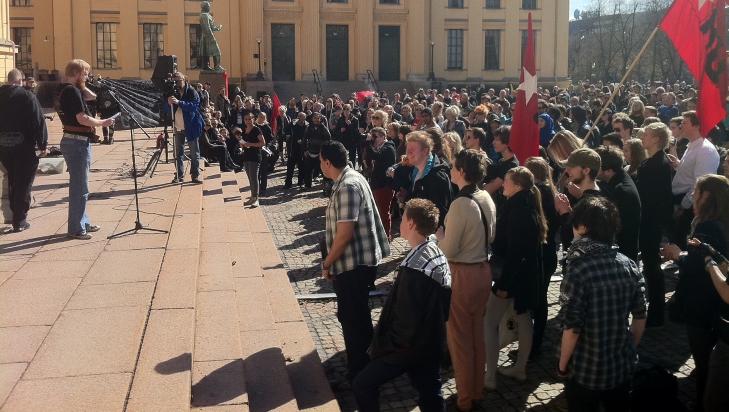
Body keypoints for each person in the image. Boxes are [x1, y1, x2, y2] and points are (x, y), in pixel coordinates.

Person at [353, 199, 451, 412]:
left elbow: (407, 319)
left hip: (409, 347)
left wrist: (386, 347)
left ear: (412, 224)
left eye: (403, 217)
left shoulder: (415, 270)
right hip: (432, 341)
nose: (400, 221)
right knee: (430, 393)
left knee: (362, 384)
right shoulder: (433, 251)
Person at [558, 196, 647, 412]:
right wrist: (629, 348)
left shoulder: (578, 269)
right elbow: (640, 316)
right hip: (621, 366)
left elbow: (572, 328)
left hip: (585, 371)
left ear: (583, 227)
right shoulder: (629, 264)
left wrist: (562, 366)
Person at [320, 140, 390, 383]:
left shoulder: (348, 186)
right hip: (356, 262)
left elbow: (344, 233)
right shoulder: (351, 177)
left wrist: (328, 262)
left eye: (321, 161)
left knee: (353, 318)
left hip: (354, 264)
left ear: (328, 163)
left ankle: (360, 370)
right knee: (356, 314)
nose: (320, 165)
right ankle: (367, 359)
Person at [661, 175, 729, 412]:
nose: (693, 196)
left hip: (702, 304)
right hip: (716, 303)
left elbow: (699, 263)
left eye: (697, 192)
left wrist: (677, 254)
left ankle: (702, 402)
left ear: (707, 197)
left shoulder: (706, 226)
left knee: (703, 362)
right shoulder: (723, 222)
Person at [435, 149, 495, 412]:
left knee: (459, 341)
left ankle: (465, 400)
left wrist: (439, 235)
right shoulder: (485, 197)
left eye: (453, 166)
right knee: (476, 337)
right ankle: (476, 392)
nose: (450, 170)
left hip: (463, 273)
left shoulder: (461, 203)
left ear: (461, 171)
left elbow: (449, 250)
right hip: (482, 270)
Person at [484, 167, 547, 387]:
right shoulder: (527, 205)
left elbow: (515, 253)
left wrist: (503, 284)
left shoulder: (518, 210)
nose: (503, 184)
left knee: (489, 322)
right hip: (525, 276)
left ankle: (490, 376)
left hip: (512, 277)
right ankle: (519, 369)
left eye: (507, 181)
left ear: (518, 185)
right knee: (523, 318)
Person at [56, 60, 115, 239]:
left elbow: (92, 97)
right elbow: (82, 118)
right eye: (86, 73)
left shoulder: (67, 89)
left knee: (82, 186)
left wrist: (84, 83)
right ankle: (76, 228)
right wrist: (102, 122)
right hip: (77, 143)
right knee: (79, 188)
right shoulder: (72, 91)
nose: (88, 76)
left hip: (74, 142)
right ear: (78, 73)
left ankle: (83, 221)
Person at [0, 68, 48, 232]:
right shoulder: (27, 96)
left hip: (4, 147)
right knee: (24, 183)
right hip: (24, 146)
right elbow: (38, 121)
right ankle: (19, 220)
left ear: (8, 80)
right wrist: (43, 144)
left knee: (12, 180)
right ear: (20, 81)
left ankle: (13, 214)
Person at [637, 122, 674, 327]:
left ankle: (657, 312)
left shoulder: (655, 165)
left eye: (647, 135)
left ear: (657, 140)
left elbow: (652, 198)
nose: (643, 137)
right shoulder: (655, 162)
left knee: (652, 267)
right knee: (651, 266)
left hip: (649, 222)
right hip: (651, 221)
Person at [523, 157, 559, 358]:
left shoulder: (539, 192)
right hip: (548, 251)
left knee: (537, 301)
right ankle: (534, 342)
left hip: (541, 252)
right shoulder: (550, 190)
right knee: (540, 299)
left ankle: (534, 344)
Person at [671, 111, 720, 249]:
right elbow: (690, 174)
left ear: (696, 126)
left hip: (691, 206)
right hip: (683, 201)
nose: (681, 126)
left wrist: (683, 206)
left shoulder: (705, 150)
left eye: (684, 123)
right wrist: (678, 165)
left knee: (683, 241)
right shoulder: (692, 145)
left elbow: (700, 184)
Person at [594, 146, 641, 262]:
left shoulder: (621, 190)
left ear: (609, 171)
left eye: (596, 168)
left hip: (622, 255)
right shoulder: (620, 180)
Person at [405, 131, 453, 228]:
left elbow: (440, 214)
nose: (408, 153)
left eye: (412, 149)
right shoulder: (415, 170)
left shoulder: (437, 177)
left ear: (425, 151)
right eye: (407, 149)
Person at [166, 72, 204, 184]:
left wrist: (179, 102)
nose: (176, 83)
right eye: (174, 80)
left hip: (191, 126)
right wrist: (168, 103)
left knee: (194, 153)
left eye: (178, 80)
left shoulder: (192, 91)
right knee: (178, 153)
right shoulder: (174, 92)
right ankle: (179, 175)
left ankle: (195, 175)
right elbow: (166, 109)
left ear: (184, 79)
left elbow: (193, 106)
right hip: (177, 127)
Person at [366, 127, 397, 240]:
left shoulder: (388, 147)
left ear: (383, 137)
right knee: (378, 211)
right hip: (377, 184)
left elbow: (375, 156)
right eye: (373, 137)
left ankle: (385, 236)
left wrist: (369, 143)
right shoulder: (379, 147)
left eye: (376, 137)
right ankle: (379, 234)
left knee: (383, 212)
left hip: (385, 185)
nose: (374, 139)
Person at [239, 113, 265, 207]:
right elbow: (243, 143)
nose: (248, 121)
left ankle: (256, 199)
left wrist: (251, 144)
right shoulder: (244, 130)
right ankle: (252, 197)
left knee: (254, 178)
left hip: (255, 156)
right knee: (250, 178)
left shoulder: (256, 129)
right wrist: (241, 144)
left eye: (250, 119)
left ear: (253, 119)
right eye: (246, 119)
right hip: (246, 156)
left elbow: (262, 143)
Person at [302, 112, 331, 189]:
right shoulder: (308, 127)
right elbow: (304, 139)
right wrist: (305, 150)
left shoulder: (323, 127)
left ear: (320, 119)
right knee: (308, 170)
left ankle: (326, 185)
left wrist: (323, 150)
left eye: (318, 118)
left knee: (323, 170)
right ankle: (307, 185)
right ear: (312, 119)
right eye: (315, 118)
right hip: (310, 151)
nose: (316, 120)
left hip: (320, 152)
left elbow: (328, 137)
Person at [285, 112, 307, 189]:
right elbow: (286, 131)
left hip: (302, 149)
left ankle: (301, 182)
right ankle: (288, 183)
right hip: (293, 148)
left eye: (304, 118)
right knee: (290, 167)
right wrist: (288, 136)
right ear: (298, 117)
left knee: (302, 167)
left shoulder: (307, 125)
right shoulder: (292, 124)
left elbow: (308, 136)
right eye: (301, 117)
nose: (303, 120)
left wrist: (304, 141)